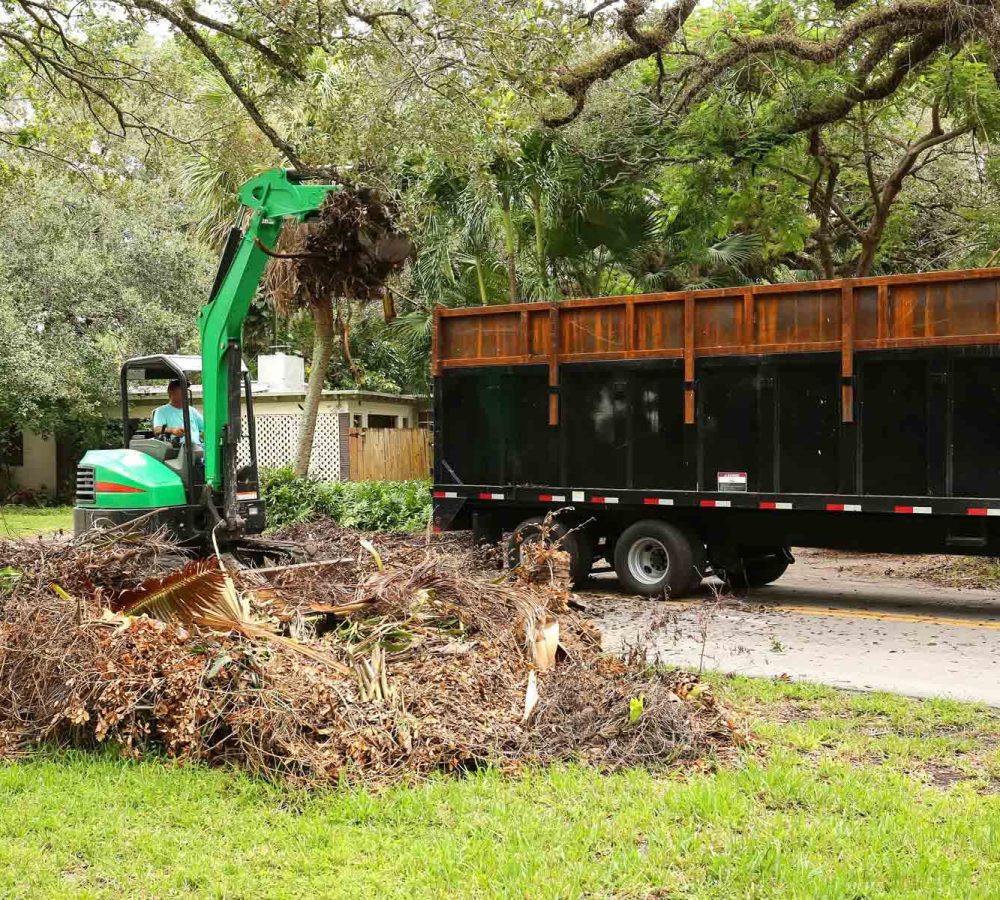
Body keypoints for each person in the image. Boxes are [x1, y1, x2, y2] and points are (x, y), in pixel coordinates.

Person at [153, 379, 204, 446]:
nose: (185, 392)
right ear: (171, 392)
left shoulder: (192, 410)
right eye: (181, 389)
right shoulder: (161, 411)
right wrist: (172, 430)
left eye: (186, 389)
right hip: (176, 449)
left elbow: (205, 427)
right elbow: (157, 429)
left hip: (196, 447)